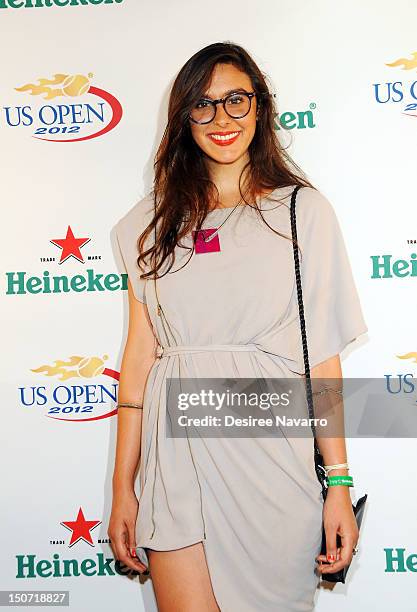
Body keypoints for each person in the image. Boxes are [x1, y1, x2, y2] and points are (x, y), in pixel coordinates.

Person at [108, 41, 368, 612]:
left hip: (271, 460)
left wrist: (341, 485)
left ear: (260, 107)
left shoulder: (304, 213)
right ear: (184, 119)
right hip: (174, 460)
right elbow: (137, 363)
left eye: (236, 100)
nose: (221, 119)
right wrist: (122, 488)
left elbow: (321, 360)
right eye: (203, 105)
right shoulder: (147, 227)